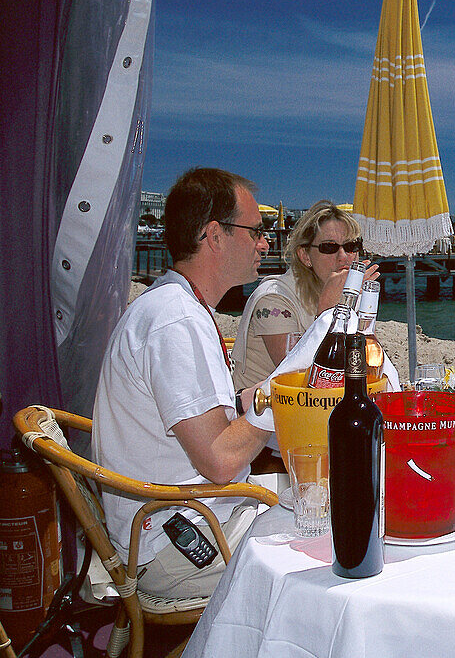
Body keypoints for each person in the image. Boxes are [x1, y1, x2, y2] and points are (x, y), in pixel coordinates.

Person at [91, 167, 278, 600]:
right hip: (179, 543)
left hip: (180, 520)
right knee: (336, 531)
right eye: (255, 231)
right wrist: (278, 398)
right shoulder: (175, 319)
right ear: (215, 236)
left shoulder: (174, 304)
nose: (264, 242)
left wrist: (240, 402)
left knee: (322, 498)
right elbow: (220, 460)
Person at [231, 200, 378, 389]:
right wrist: (327, 311)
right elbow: (305, 377)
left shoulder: (350, 296)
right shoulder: (273, 299)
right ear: (305, 255)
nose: (343, 256)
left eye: (351, 246)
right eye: (329, 247)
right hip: (263, 409)